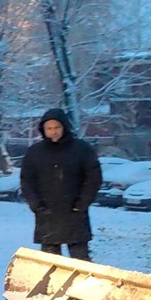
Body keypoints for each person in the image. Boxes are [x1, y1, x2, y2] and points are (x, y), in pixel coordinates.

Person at [20, 108, 102, 261]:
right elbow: (27, 181)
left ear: (64, 126)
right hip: (47, 215)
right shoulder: (35, 152)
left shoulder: (81, 149)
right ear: (43, 129)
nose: (53, 131)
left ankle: (83, 285)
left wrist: (82, 204)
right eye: (49, 128)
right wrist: (36, 206)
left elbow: (93, 178)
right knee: (50, 264)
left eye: (57, 127)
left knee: (81, 262)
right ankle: (54, 286)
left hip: (75, 214)